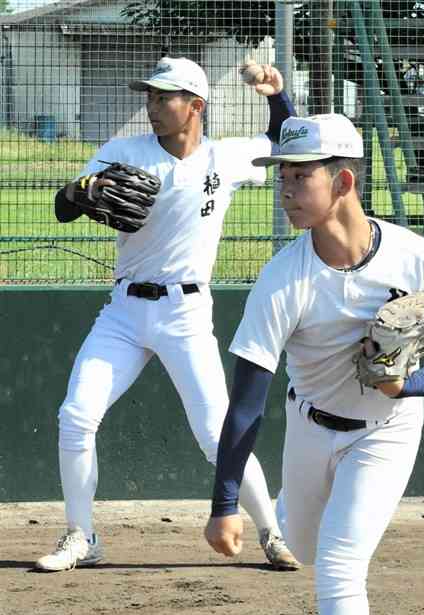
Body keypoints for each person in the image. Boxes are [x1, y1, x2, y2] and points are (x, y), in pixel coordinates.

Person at [204, 113, 424, 615]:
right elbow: (245, 406)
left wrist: (403, 386)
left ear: (343, 180)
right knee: (304, 546)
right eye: (284, 176)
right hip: (308, 424)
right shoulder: (283, 278)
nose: (286, 189)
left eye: (301, 176)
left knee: (340, 567)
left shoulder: (415, 259)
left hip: (385, 435)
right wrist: (223, 503)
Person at [35, 56, 300, 573]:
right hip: (124, 312)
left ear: (195, 106)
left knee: (214, 434)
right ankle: (80, 536)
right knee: (76, 416)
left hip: (186, 314)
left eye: (163, 97)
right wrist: (78, 193)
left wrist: (275, 95)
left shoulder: (224, 159)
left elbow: (283, 141)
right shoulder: (124, 151)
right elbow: (64, 208)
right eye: (150, 96)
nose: (151, 106)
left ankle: (271, 531)